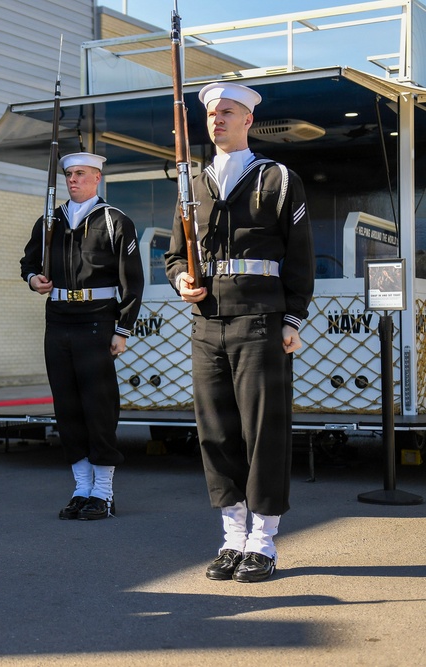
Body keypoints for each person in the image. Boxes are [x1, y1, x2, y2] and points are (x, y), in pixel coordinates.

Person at [164, 82, 315, 583]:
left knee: (262, 432)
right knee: (217, 433)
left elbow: (300, 257)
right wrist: (181, 278)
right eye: (211, 113)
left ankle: (264, 540)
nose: (217, 120)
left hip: (259, 318)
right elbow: (173, 253)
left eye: (227, 112)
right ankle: (232, 537)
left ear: (248, 120)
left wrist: (293, 318)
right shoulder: (193, 183)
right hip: (207, 322)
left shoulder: (278, 179)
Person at [20, 152, 144, 522]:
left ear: (97, 178)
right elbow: (28, 262)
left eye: (80, 174)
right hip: (58, 319)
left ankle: (103, 493)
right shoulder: (49, 221)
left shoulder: (115, 220)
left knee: (98, 406)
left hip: (97, 321)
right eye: (69, 174)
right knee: (67, 406)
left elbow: (133, 281)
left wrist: (122, 329)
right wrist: (32, 280)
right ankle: (81, 489)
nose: (73, 179)